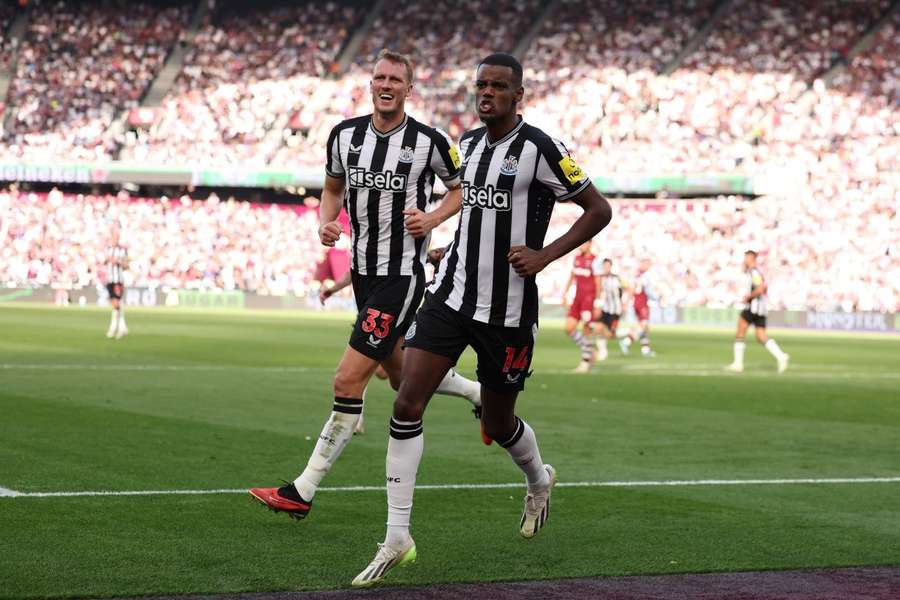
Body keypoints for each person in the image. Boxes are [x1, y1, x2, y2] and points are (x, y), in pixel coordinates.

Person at [351, 53, 612, 588]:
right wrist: (447, 247)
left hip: (509, 312)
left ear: (519, 96)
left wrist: (545, 256)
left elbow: (599, 209)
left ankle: (538, 480)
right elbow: (471, 210)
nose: (487, 93)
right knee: (406, 400)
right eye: (481, 85)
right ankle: (397, 537)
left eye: (499, 86)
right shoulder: (464, 147)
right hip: (452, 298)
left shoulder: (541, 149)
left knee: (497, 423)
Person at [249, 50, 480, 520]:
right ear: (370, 83)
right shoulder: (344, 137)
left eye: (397, 78)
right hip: (365, 274)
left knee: (347, 378)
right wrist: (325, 222)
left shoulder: (430, 142)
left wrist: (433, 217)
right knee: (400, 377)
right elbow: (332, 189)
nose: (387, 84)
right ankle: (479, 394)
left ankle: (302, 490)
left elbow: (462, 189)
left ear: (409, 89)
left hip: (402, 276)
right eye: (380, 76)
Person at [726, 250, 789, 373]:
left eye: (746, 257)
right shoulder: (754, 271)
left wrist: (748, 297)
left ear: (751, 258)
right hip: (761, 307)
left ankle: (738, 364)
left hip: (753, 307)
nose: (744, 260)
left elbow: (760, 288)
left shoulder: (754, 271)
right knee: (761, 336)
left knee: (740, 332)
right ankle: (781, 356)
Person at [561, 240, 599, 372]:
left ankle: (585, 362)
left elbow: (599, 283)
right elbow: (572, 277)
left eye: (584, 243)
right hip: (577, 299)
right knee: (569, 328)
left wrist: (598, 303)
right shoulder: (576, 258)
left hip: (589, 301)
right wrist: (565, 293)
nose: (581, 246)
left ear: (590, 244)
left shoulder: (596, 261)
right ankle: (589, 350)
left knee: (587, 330)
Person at [619, 257, 656, 357]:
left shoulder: (637, 275)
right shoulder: (643, 276)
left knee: (644, 328)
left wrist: (626, 302)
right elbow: (634, 289)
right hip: (641, 303)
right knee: (643, 326)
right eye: (647, 264)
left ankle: (645, 350)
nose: (648, 266)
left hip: (638, 303)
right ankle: (626, 342)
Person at [593, 258, 628, 361]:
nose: (606, 268)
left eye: (608, 266)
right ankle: (603, 352)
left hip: (616, 310)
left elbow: (630, 288)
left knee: (611, 335)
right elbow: (599, 291)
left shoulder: (617, 278)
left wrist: (625, 303)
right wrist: (597, 305)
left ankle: (629, 332)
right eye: (604, 266)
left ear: (611, 267)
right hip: (605, 309)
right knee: (598, 329)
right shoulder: (601, 278)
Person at [105, 231, 128, 340]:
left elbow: (126, 265)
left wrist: (118, 262)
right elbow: (105, 261)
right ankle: (121, 327)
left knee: (116, 304)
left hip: (118, 280)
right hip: (110, 279)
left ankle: (116, 327)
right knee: (116, 305)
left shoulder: (122, 250)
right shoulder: (108, 249)